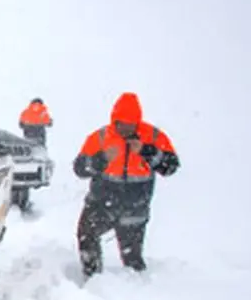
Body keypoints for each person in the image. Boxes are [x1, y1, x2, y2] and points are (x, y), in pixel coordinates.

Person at [72, 92, 179, 278]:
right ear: (114, 120)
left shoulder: (152, 136)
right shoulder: (100, 138)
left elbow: (170, 167)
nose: (125, 129)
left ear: (137, 122)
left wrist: (147, 151)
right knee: (86, 235)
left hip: (135, 208)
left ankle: (137, 293)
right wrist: (101, 159)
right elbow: (80, 168)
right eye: (121, 124)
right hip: (101, 204)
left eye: (130, 124)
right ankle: (92, 278)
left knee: (132, 259)